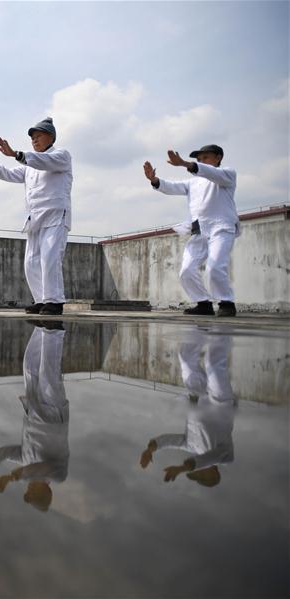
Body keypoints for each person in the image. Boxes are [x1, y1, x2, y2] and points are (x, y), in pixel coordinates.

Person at [0, 118, 73, 315]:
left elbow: (44, 162)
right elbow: (11, 174)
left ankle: (54, 301)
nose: (35, 140)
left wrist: (17, 154)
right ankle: (41, 300)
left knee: (50, 258)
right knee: (31, 262)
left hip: (55, 215)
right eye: (32, 138)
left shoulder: (61, 155)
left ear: (51, 137)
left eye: (38, 136)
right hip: (34, 218)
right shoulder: (30, 164)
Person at [0, 321, 69, 512]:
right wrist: (12, 477)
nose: (27, 489)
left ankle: (42, 325)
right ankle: (54, 324)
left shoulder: (26, 463)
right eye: (30, 494)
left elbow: (10, 453)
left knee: (29, 366)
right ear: (40, 492)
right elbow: (39, 469)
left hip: (33, 411)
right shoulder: (59, 474)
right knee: (47, 371)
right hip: (52, 417)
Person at [143, 144, 239, 317]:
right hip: (199, 229)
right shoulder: (192, 182)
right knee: (186, 270)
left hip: (221, 227)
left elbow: (210, 173)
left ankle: (226, 302)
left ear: (218, 158)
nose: (201, 161)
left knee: (215, 266)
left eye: (206, 157)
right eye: (199, 159)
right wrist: (154, 180)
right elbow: (171, 187)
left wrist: (186, 164)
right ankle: (203, 303)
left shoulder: (227, 174)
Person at [140, 326, 235, 487]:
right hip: (219, 403)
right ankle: (221, 327)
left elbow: (169, 441)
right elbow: (207, 459)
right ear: (212, 473)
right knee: (212, 363)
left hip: (196, 395)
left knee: (185, 357)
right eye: (200, 473)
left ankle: (200, 327)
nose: (195, 471)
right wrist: (182, 468)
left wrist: (151, 449)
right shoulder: (225, 457)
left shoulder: (190, 446)